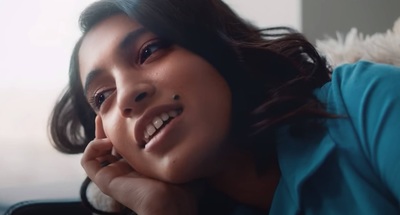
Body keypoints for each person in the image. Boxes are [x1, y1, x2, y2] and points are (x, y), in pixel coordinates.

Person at [49, 0, 400, 214]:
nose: (125, 97)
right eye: (101, 97)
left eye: (148, 51)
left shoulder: (362, 101)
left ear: (214, 44)